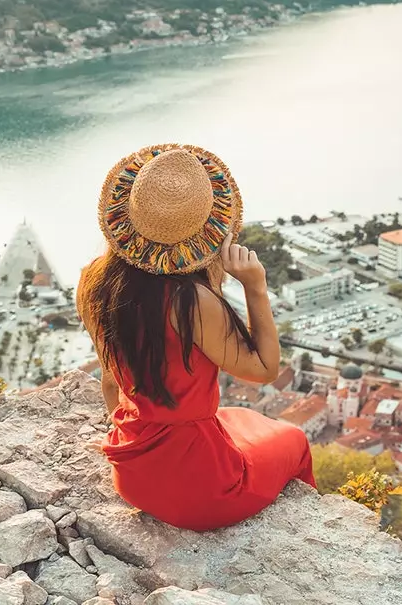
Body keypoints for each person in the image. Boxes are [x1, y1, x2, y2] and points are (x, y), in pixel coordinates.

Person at [76, 143, 315, 530]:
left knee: (238, 419)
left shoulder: (94, 280)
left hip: (132, 470)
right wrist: (255, 286)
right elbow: (265, 369)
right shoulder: (190, 302)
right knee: (293, 440)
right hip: (202, 489)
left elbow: (109, 381)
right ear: (209, 231)